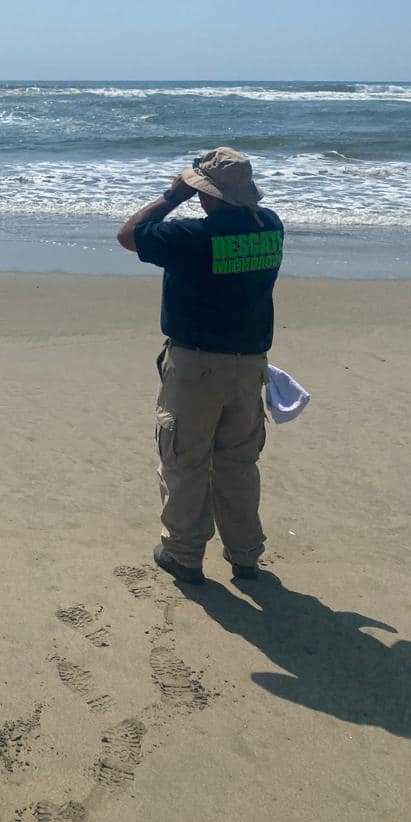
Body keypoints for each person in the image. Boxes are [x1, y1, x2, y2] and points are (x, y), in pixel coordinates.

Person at [117, 147, 283, 586]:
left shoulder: (192, 237)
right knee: (238, 463)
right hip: (249, 366)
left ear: (205, 192)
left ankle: (184, 554)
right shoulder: (270, 227)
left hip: (196, 365)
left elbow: (129, 235)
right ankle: (246, 554)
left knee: (184, 461)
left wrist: (173, 196)